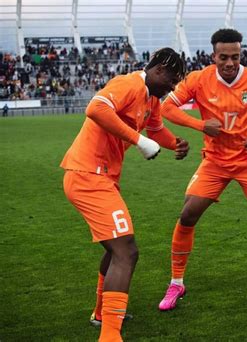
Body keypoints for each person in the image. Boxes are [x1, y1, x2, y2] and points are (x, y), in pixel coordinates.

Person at [158, 28, 247, 311]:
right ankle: (176, 282)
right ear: (214, 56)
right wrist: (200, 125)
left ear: (240, 55)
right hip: (215, 162)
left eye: (235, 56)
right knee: (187, 215)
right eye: (224, 57)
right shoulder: (198, 80)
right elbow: (167, 108)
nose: (230, 63)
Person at [61, 48, 189, 342]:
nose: (173, 87)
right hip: (87, 176)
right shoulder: (129, 83)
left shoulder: (152, 98)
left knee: (116, 249)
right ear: (157, 69)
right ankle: (109, 335)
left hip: (100, 177)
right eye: (172, 80)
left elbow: (156, 128)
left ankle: (101, 314)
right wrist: (139, 140)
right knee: (126, 251)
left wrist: (174, 144)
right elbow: (96, 109)